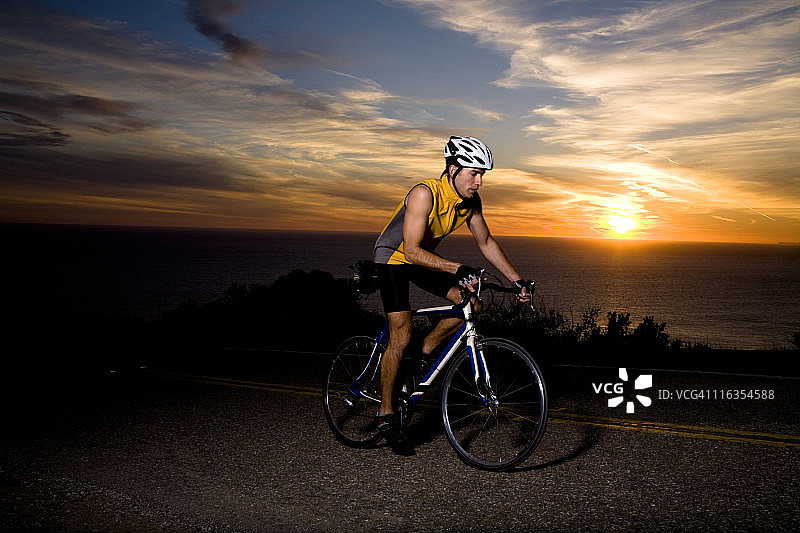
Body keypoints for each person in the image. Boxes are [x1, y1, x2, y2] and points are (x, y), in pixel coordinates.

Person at [373, 135, 530, 450]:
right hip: (394, 259)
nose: (480, 181)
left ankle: (426, 349)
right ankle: (386, 414)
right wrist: (458, 268)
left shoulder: (470, 202)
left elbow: (485, 242)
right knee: (400, 337)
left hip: (421, 259)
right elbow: (412, 251)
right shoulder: (424, 194)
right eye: (474, 173)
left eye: (483, 174)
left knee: (471, 306)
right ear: (454, 168)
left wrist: (517, 281)